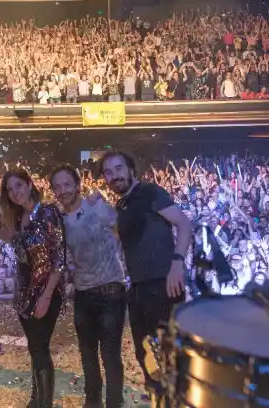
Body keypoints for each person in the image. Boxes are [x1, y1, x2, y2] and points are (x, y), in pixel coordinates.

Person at [99, 150, 192, 392]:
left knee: (170, 356)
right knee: (146, 355)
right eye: (108, 172)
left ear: (131, 169)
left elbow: (184, 225)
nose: (114, 176)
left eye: (118, 168)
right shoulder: (122, 205)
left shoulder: (150, 192)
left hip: (164, 284)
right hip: (138, 288)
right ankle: (158, 397)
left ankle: (176, 399)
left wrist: (177, 263)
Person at [50, 164, 126, 408]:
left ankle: (114, 403)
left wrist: (115, 250)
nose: (63, 190)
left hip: (110, 289)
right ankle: (93, 402)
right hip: (83, 293)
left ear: (77, 185)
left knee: (110, 356)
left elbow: (121, 228)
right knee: (87, 354)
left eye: (67, 184)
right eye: (57, 186)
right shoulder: (60, 220)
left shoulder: (95, 206)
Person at [0, 169, 67, 408]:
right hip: (23, 296)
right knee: (36, 347)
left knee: (39, 347)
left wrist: (46, 296)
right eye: (9, 189)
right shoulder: (17, 219)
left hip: (47, 292)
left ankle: (43, 403)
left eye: (18, 185)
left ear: (30, 184)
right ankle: (36, 399)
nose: (15, 192)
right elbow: (10, 242)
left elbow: (59, 257)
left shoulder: (48, 212)